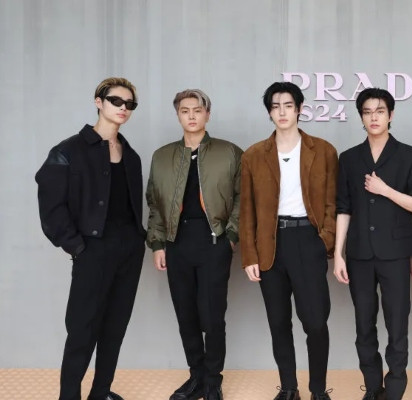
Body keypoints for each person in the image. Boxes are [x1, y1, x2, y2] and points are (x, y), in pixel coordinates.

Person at [36, 77, 146, 400]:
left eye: (129, 104)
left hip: (129, 251)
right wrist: (77, 246)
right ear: (99, 102)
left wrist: (138, 241)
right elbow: (51, 207)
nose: (123, 108)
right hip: (93, 249)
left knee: (115, 327)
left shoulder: (131, 155)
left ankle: (101, 393)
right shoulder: (68, 150)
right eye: (116, 101)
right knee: (82, 330)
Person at [239, 81, 337, 400]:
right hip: (270, 244)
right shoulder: (254, 155)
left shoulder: (323, 150)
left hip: (308, 240)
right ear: (269, 112)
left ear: (299, 109)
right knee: (279, 323)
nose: (282, 112)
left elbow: (332, 203)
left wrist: (324, 241)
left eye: (288, 105)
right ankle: (289, 388)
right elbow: (246, 210)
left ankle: (318, 389)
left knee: (315, 322)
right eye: (275, 106)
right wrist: (250, 255)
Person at [334, 87, 412, 400]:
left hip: (396, 254)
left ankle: (395, 389)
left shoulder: (410, 156)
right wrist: (338, 254)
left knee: (397, 325)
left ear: (391, 115)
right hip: (359, 254)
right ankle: (373, 388)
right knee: (364, 326)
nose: (373, 117)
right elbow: (344, 208)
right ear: (361, 117)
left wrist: (385, 189)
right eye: (367, 112)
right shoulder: (349, 158)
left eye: (379, 111)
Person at [146, 89, 242, 400]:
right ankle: (196, 377)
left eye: (197, 110)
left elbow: (243, 198)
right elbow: (154, 204)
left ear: (207, 115)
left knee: (212, 316)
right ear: (178, 115)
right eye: (185, 110)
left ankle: (213, 380)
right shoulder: (162, 156)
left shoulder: (229, 152)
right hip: (177, 242)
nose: (191, 115)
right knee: (186, 314)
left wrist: (231, 237)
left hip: (213, 240)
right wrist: (157, 243)